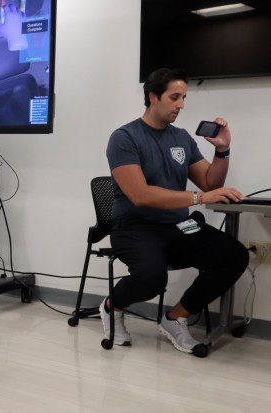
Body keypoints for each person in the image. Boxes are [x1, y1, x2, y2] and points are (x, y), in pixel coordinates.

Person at [103, 68, 248, 356]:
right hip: (135, 227)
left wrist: (223, 150)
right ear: (153, 97)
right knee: (153, 278)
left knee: (233, 255)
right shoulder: (124, 138)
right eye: (174, 97)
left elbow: (210, 182)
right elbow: (140, 195)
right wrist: (199, 197)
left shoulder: (181, 137)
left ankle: (175, 317)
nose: (181, 104)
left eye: (183, 97)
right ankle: (112, 306)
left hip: (179, 225)